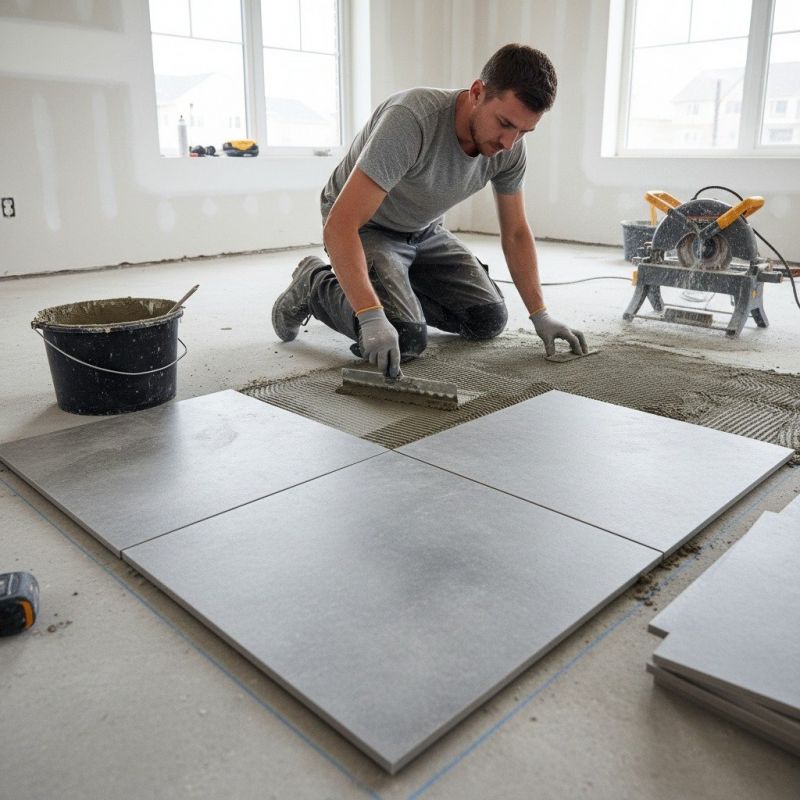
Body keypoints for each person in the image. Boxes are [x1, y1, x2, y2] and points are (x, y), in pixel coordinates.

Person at [272, 43, 587, 377]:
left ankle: (394, 291)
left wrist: (540, 314)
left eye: (524, 131)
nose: (509, 142)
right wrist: (371, 316)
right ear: (477, 93)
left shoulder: (510, 149)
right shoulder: (411, 120)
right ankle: (313, 283)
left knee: (488, 319)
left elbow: (516, 232)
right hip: (368, 226)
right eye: (505, 123)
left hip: (424, 230)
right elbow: (340, 224)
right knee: (405, 336)